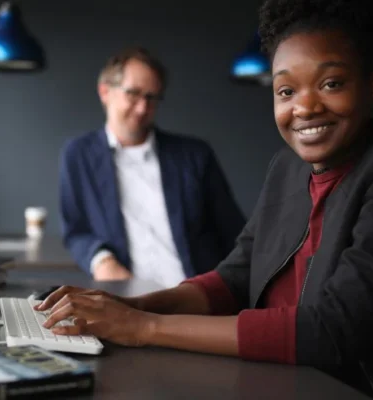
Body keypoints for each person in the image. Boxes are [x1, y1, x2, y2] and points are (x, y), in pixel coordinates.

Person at [40, 0, 373, 398]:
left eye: (331, 83)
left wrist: (144, 325)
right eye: (286, 91)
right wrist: (127, 306)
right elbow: (233, 279)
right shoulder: (287, 167)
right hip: (276, 378)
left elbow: (335, 329)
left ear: (372, 86)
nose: (305, 106)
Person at [58, 47, 246, 288]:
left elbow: (234, 232)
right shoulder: (79, 155)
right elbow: (76, 230)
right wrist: (102, 261)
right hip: (126, 300)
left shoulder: (194, 155)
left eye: (152, 97)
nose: (142, 108)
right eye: (133, 94)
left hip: (195, 299)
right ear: (105, 91)